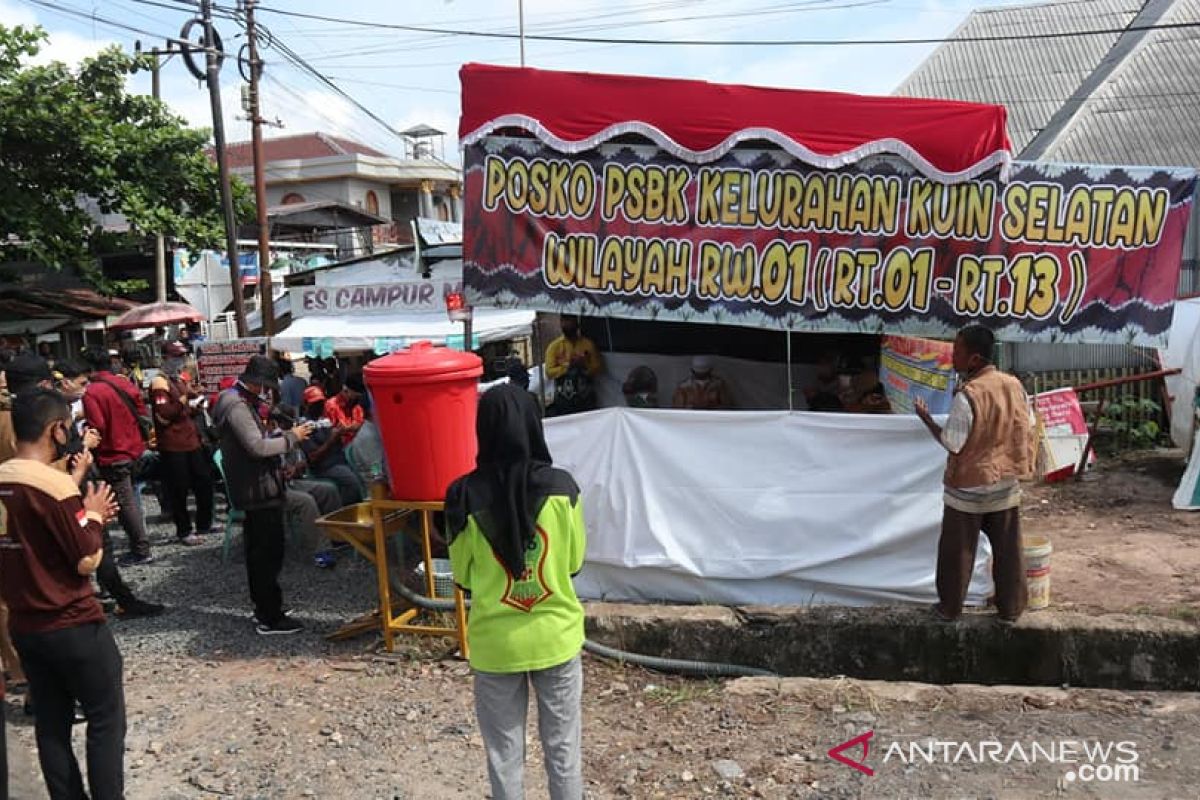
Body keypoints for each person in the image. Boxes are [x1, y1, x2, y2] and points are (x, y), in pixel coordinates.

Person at [445, 384, 587, 800]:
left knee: (503, 754)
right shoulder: (564, 490)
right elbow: (574, 563)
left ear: (483, 429)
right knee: (563, 749)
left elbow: (463, 577)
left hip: (495, 645)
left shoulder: (462, 496)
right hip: (556, 638)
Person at [0, 389, 126, 800]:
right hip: (72, 622)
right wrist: (93, 514)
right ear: (57, 429)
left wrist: (74, 494)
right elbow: (87, 558)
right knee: (105, 719)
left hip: (24, 624)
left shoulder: (6, 478)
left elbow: (31, 530)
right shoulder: (53, 486)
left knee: (51, 725)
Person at [914, 325, 1034, 624]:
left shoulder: (968, 396)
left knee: (958, 553)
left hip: (968, 489)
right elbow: (1027, 424)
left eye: (957, 352)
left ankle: (950, 608)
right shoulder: (1014, 385)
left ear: (974, 359)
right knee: (1009, 552)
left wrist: (926, 419)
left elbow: (953, 444)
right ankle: (1011, 610)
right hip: (1006, 483)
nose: (952, 356)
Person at [212, 356, 313, 634]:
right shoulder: (236, 404)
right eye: (265, 386)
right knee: (267, 552)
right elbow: (256, 447)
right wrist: (291, 437)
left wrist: (280, 432)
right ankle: (269, 615)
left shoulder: (237, 400)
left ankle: (266, 607)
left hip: (257, 486)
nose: (266, 392)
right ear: (256, 382)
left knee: (263, 551)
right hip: (256, 489)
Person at [82, 347, 153, 565]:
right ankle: (139, 544)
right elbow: (142, 412)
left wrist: (85, 430)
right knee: (130, 497)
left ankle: (141, 549)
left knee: (126, 501)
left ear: (91, 369)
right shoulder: (124, 383)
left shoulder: (92, 392)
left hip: (113, 453)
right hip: (135, 449)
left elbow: (98, 426)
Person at [150, 351, 216, 546]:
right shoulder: (159, 384)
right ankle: (184, 530)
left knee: (204, 482)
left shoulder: (176, 380)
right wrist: (183, 400)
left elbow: (184, 408)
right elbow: (163, 415)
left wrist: (196, 404)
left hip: (192, 441)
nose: (179, 361)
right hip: (173, 445)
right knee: (179, 489)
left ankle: (204, 524)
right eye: (175, 357)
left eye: (181, 357)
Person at [302, 386, 364, 507]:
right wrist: (332, 439)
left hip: (341, 458)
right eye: (315, 404)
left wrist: (342, 431)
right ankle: (346, 512)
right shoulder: (304, 425)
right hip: (326, 466)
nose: (319, 406)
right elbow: (313, 457)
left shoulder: (324, 419)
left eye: (321, 402)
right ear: (306, 405)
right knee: (352, 483)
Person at [544, 315, 601, 417]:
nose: (567, 324)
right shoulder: (554, 346)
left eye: (570, 320)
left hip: (585, 397)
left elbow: (597, 367)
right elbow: (549, 372)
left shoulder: (588, 344)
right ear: (561, 323)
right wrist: (568, 366)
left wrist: (584, 365)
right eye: (564, 321)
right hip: (564, 398)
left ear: (576, 322)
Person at [323, 373, 366, 446]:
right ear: (346, 390)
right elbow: (329, 433)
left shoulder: (358, 403)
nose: (358, 399)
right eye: (355, 396)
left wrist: (350, 428)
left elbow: (363, 423)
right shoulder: (332, 406)